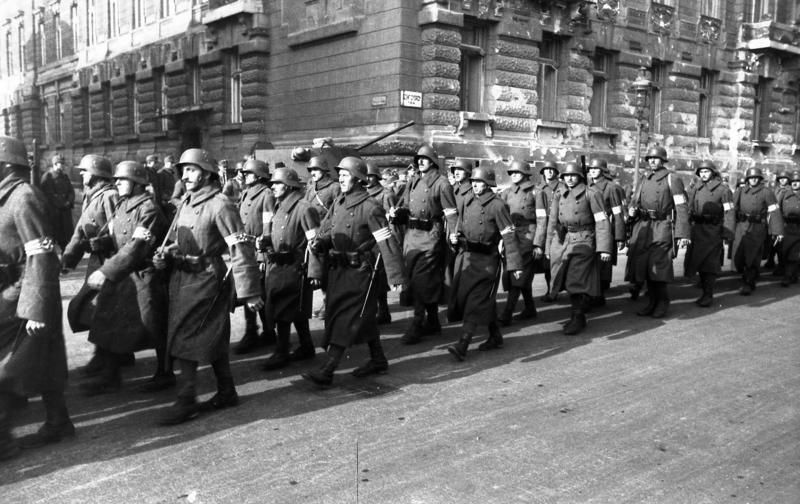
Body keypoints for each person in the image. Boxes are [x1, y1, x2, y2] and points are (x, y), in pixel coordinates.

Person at [153, 148, 263, 425]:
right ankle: (227, 391)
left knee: (185, 337)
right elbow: (187, 238)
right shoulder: (187, 202)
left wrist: (249, 292)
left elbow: (240, 247)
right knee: (208, 336)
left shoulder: (220, 204)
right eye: (183, 170)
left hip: (207, 280)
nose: (185, 175)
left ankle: (186, 399)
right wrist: (169, 251)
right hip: (182, 278)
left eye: (191, 170)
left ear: (206, 172)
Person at [0, 136, 73, 460]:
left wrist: (34, 310)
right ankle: (59, 421)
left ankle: (4, 440)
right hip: (19, 291)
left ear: (4, 165)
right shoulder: (7, 196)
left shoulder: (23, 197)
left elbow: (41, 256)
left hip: (27, 293)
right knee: (44, 360)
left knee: (11, 369)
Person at [304, 157, 404, 386]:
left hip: (361, 271)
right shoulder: (339, 201)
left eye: (345, 175)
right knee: (357, 318)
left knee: (346, 320)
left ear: (358, 179)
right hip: (339, 270)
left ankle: (328, 369)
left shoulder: (371, 207)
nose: (340, 178)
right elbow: (329, 229)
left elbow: (386, 242)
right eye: (339, 175)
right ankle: (378, 359)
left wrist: (396, 276)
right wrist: (322, 243)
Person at [78, 161, 172, 395]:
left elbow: (137, 246)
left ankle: (165, 372)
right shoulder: (123, 205)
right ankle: (111, 375)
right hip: (124, 274)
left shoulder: (148, 209)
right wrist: (102, 243)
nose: (117, 183)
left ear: (138, 182)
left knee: (153, 324)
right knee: (108, 318)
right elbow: (119, 237)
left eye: (122, 179)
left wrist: (106, 271)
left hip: (144, 275)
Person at [446, 166, 522, 360]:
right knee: (471, 299)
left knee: (475, 301)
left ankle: (463, 343)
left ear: (488, 184)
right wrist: (455, 238)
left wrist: (514, 266)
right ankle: (495, 334)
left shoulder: (497, 206)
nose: (476, 186)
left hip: (488, 261)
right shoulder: (466, 201)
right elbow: (460, 226)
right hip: (467, 258)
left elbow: (509, 236)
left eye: (479, 182)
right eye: (473, 182)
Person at [391, 145, 458, 345]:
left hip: (430, 236)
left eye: (425, 158)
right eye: (418, 158)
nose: (420, 161)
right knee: (415, 278)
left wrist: (454, 235)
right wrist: (397, 213)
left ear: (433, 161)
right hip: (411, 237)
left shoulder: (442, 183)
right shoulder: (413, 180)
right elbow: (404, 205)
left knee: (421, 280)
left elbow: (451, 214)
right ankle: (434, 321)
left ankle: (417, 324)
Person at [60, 154, 120, 376]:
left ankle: (109, 363)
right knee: (91, 308)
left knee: (104, 309)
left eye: (84, 171)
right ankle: (105, 355)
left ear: (96, 173)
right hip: (96, 261)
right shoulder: (91, 196)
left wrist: (104, 243)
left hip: (110, 262)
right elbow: (79, 231)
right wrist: (68, 259)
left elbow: (121, 231)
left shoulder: (110, 196)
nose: (81, 174)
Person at [539, 162, 612, 335]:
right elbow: (553, 222)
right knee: (559, 276)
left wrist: (604, 248)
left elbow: (602, 221)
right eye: (566, 176)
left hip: (584, 239)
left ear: (580, 176)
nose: (569, 179)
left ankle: (578, 317)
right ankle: (578, 311)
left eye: (573, 175)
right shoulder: (559, 193)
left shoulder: (592, 194)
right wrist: (549, 246)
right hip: (563, 239)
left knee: (576, 278)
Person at [259, 167, 322, 371]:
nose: (273, 187)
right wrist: (265, 242)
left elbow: (315, 243)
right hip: (278, 267)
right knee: (293, 311)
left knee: (284, 312)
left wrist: (315, 272)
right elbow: (276, 234)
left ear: (287, 185)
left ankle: (282, 351)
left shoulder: (304, 208)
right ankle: (306, 346)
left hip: (295, 269)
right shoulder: (279, 206)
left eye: (276, 184)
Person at [625, 146, 690, 318]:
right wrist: (632, 210)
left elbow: (682, 207)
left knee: (659, 265)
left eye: (656, 158)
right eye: (650, 158)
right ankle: (652, 302)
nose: (652, 161)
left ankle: (662, 302)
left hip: (662, 226)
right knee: (646, 266)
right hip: (644, 226)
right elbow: (634, 200)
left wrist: (682, 234)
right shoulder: (644, 178)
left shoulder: (672, 179)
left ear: (663, 160)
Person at [234, 159, 277, 354]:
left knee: (258, 292)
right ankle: (253, 330)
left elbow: (268, 225)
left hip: (258, 250)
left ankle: (266, 331)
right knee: (248, 290)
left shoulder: (266, 194)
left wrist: (262, 253)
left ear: (258, 175)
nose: (244, 176)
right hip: (246, 250)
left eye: (248, 173)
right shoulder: (245, 193)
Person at [684, 160, 735, 307]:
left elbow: (729, 211)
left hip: (713, 231)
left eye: (706, 171)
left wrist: (728, 232)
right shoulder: (696, 188)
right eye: (701, 172)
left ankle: (708, 295)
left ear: (713, 172)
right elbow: (688, 208)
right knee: (698, 261)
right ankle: (703, 288)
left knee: (710, 264)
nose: (703, 174)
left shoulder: (723, 190)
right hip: (697, 229)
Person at [498, 160, 539, 326]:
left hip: (528, 234)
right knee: (515, 272)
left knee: (519, 272)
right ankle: (530, 308)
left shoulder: (535, 192)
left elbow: (542, 219)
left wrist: (538, 243)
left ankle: (507, 313)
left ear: (525, 174)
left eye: (517, 172)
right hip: (511, 234)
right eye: (512, 172)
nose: (513, 175)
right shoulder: (506, 193)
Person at [731, 166, 784, 295]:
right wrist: (729, 229)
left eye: (756, 178)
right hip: (742, 226)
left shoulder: (766, 192)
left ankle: (749, 282)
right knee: (739, 255)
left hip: (758, 228)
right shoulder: (740, 191)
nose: (753, 180)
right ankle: (746, 275)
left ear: (760, 179)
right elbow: (732, 210)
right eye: (751, 178)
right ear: (747, 179)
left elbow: (774, 211)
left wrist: (777, 230)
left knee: (753, 255)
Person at [587, 158, 627, 307]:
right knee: (591, 264)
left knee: (603, 264)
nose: (593, 171)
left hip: (606, 228)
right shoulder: (587, 187)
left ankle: (600, 295)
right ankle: (592, 294)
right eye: (591, 169)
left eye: (596, 169)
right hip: (591, 230)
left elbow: (618, 214)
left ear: (603, 171)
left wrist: (620, 236)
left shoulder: (612, 188)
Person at [304, 156, 340, 319]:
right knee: (319, 272)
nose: (313, 173)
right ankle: (327, 302)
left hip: (329, 234)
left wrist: (326, 232)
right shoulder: (311, 188)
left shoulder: (334, 187)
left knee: (329, 271)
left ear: (324, 170)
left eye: (316, 170)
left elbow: (338, 212)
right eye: (311, 170)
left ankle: (330, 304)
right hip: (314, 233)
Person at [365, 161, 398, 324]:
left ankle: (384, 310)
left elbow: (391, 221)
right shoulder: (363, 194)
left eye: (371, 176)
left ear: (376, 176)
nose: (368, 179)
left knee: (379, 276)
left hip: (380, 239)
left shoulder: (386, 194)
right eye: (366, 176)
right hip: (366, 241)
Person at [535, 160, 563, 302]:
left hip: (560, 227)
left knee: (559, 260)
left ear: (556, 172)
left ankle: (556, 290)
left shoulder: (563, 187)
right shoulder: (539, 189)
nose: (549, 172)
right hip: (545, 227)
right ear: (543, 172)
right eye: (547, 170)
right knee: (547, 262)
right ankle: (550, 289)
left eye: (552, 170)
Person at [40, 153, 75, 249]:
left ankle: (66, 260)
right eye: (60, 163)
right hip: (53, 213)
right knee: (50, 238)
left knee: (66, 239)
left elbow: (71, 191)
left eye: (63, 163)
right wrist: (62, 203)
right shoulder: (48, 177)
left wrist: (69, 202)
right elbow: (48, 195)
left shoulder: (65, 177)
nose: (63, 166)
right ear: (55, 164)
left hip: (65, 214)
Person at [777, 170, 800, 286]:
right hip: (786, 226)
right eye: (793, 181)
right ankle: (793, 274)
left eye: (798, 181)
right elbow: (778, 211)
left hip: (798, 227)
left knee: (794, 253)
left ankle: (788, 276)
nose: (795, 184)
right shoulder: (784, 194)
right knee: (785, 252)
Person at [156, 154, 180, 218]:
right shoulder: (161, 173)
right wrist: (165, 199)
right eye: (171, 163)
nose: (173, 165)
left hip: (172, 199)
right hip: (165, 201)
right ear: (166, 163)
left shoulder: (172, 173)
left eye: (173, 163)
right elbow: (159, 188)